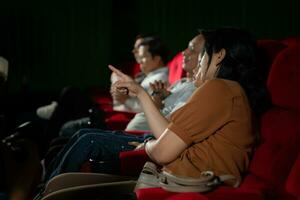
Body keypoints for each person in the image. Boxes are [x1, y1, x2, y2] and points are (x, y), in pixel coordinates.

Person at [45, 27, 270, 186]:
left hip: (180, 175)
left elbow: (163, 151)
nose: (197, 61)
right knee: (85, 137)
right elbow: (169, 134)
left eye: (202, 55)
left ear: (219, 55)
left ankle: (41, 188)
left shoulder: (219, 89)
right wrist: (141, 93)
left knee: (88, 139)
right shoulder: (229, 91)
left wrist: (147, 145)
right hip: (177, 165)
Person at [44, 33, 205, 180]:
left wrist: (139, 95)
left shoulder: (200, 91)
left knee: (82, 133)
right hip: (143, 129)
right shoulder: (181, 83)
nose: (184, 52)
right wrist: (159, 97)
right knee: (79, 133)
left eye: (191, 49)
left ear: (208, 58)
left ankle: (48, 185)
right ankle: (46, 180)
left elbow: (169, 127)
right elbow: (164, 108)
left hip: (149, 135)